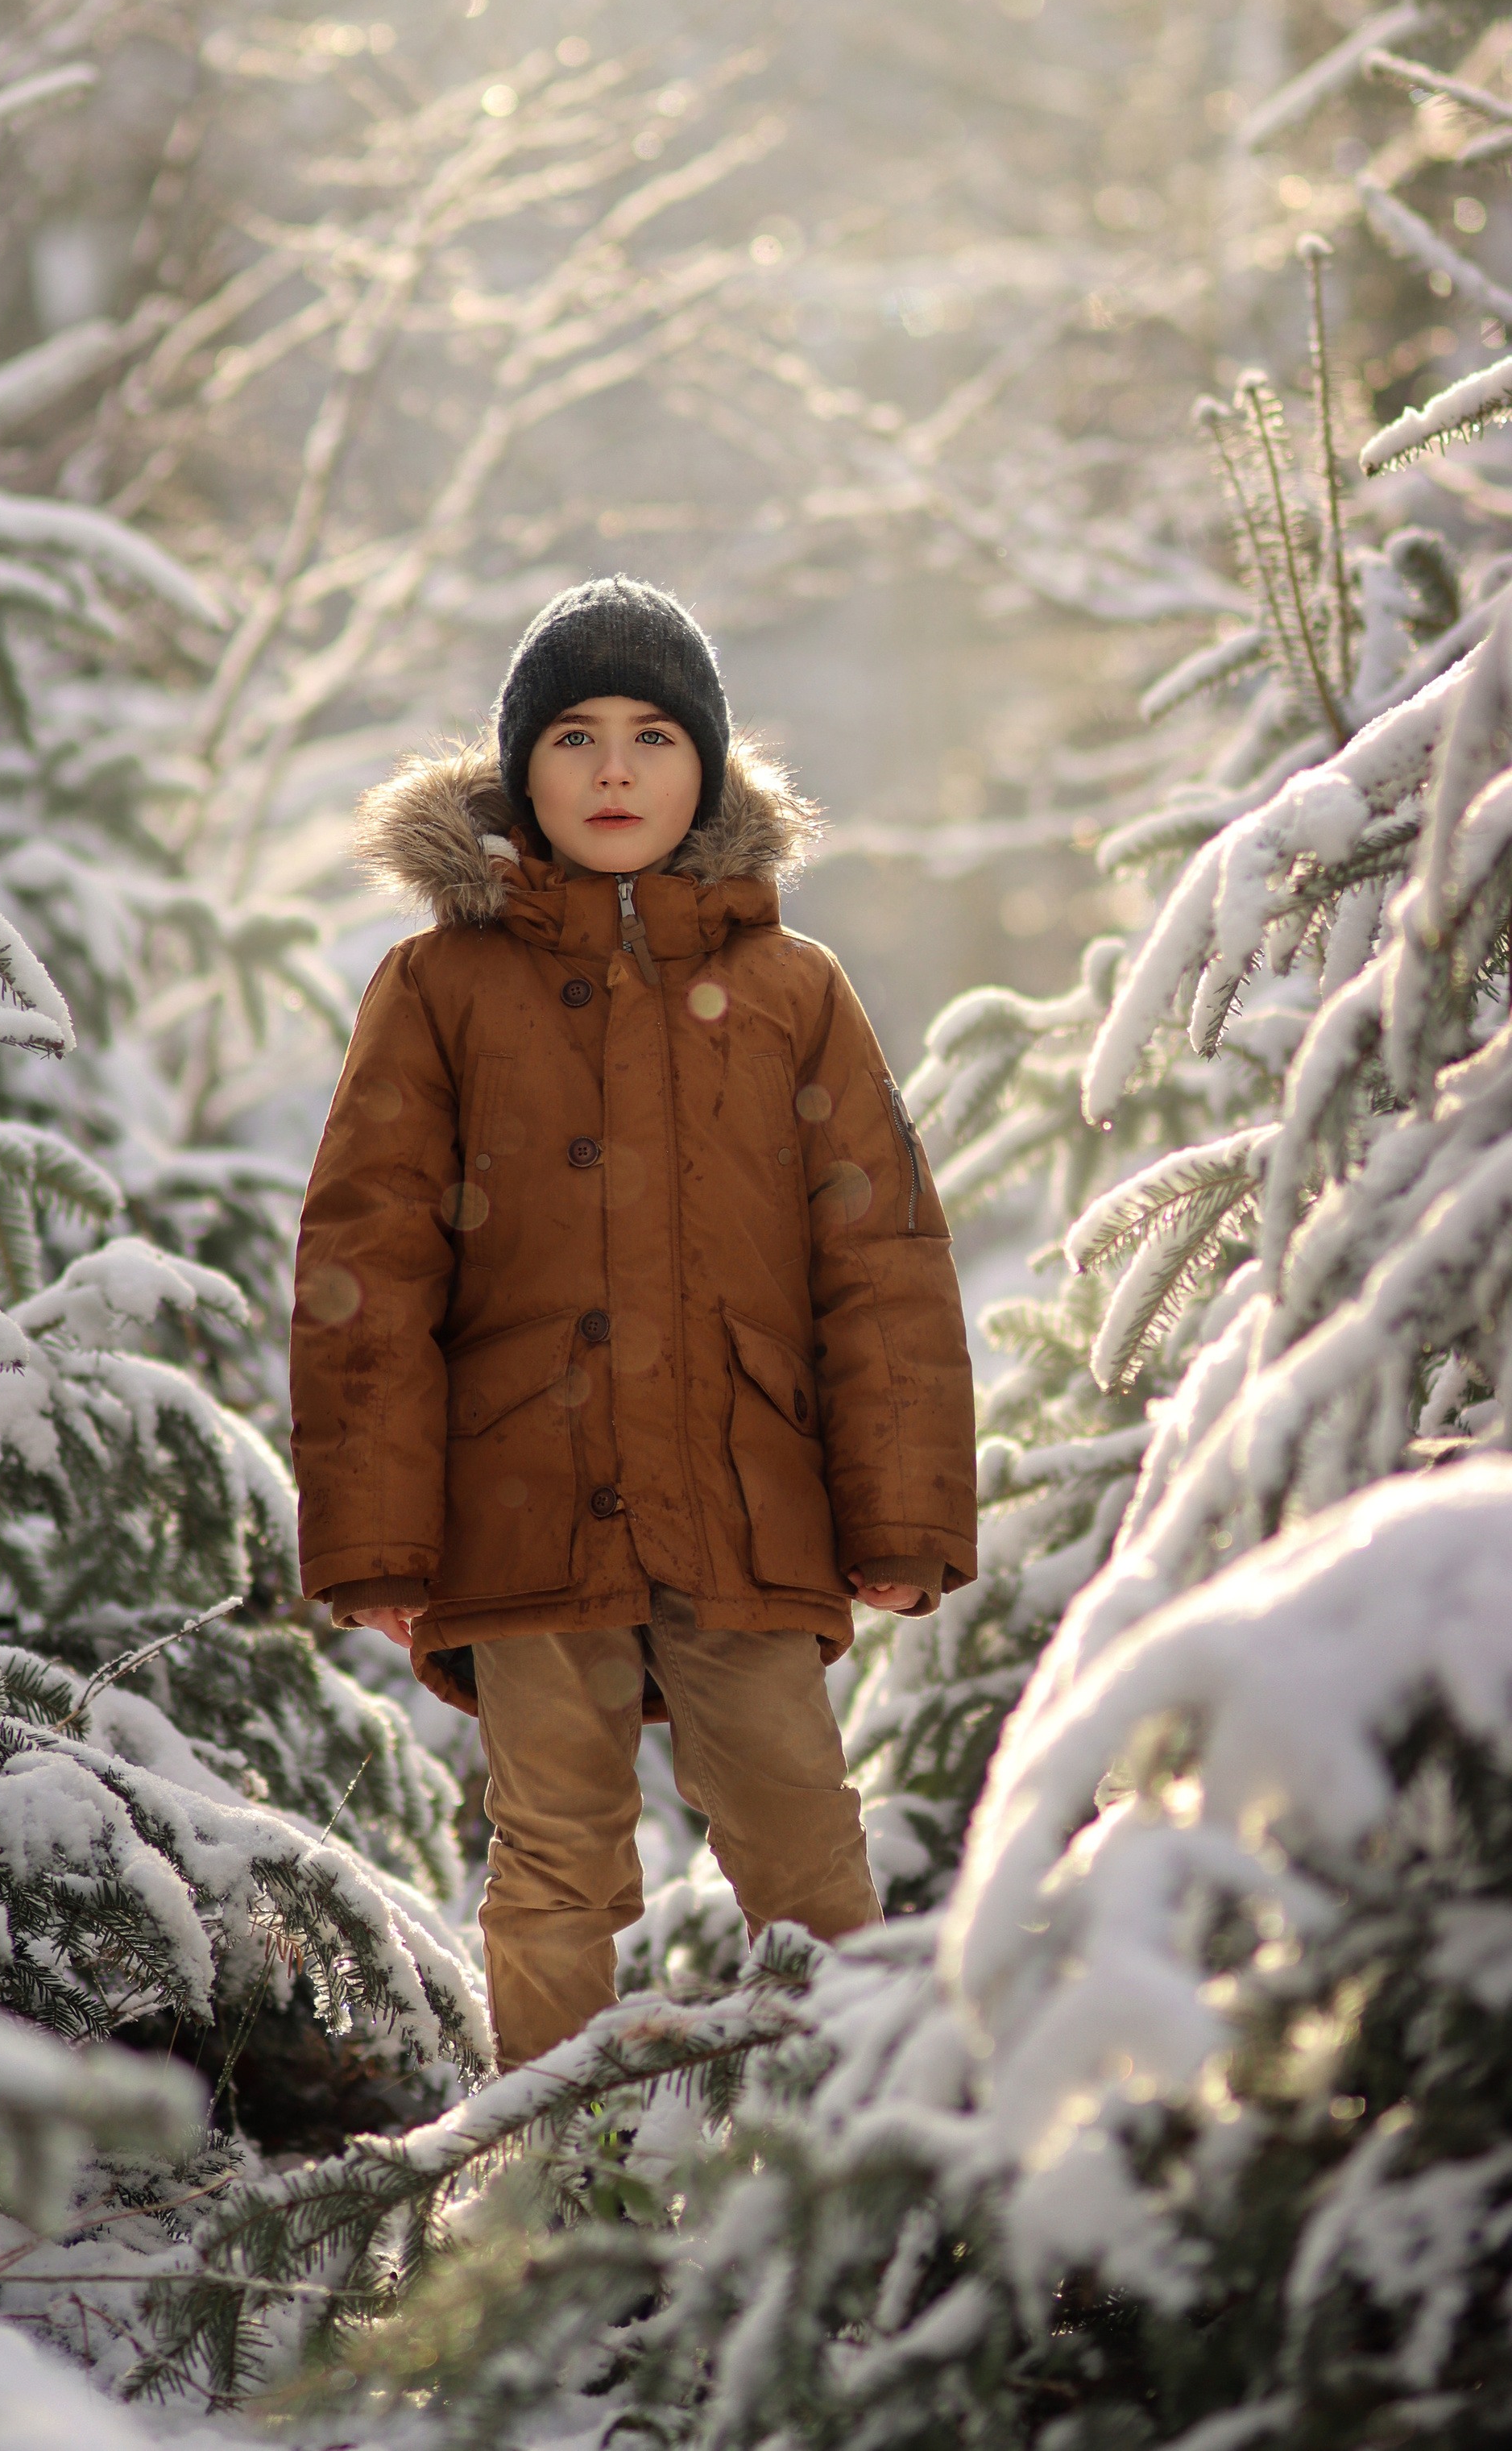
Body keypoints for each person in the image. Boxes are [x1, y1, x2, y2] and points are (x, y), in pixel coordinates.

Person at [289, 575, 977, 2070]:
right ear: (519, 770)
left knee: (804, 1840)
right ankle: (554, 2182)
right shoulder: (441, 986)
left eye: (656, 734)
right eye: (576, 736)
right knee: (554, 1856)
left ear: (710, 770)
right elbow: (369, 1265)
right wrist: (380, 1536)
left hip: (748, 1493)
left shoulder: (795, 991)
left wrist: (904, 1508)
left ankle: (848, 2144)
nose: (614, 769)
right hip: (528, 1493)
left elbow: (884, 1264)